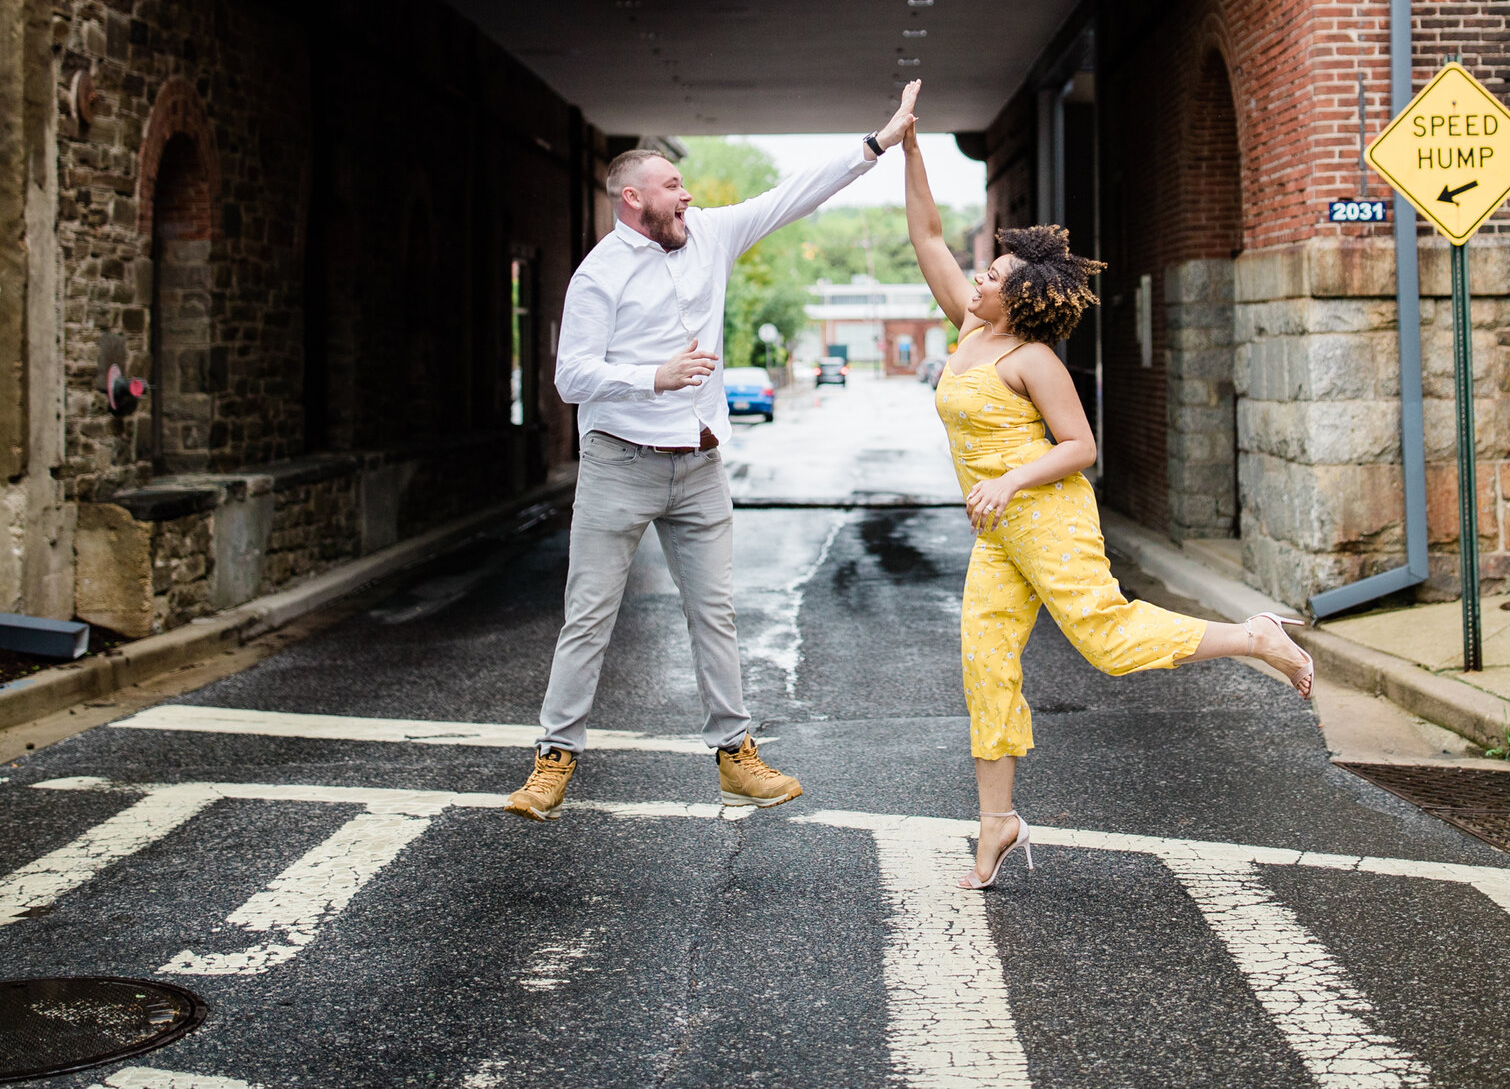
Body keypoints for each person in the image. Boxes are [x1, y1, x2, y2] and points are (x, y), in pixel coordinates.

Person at [899, 124, 1314, 888]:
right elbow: (926, 231)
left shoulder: (1031, 359)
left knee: (1107, 640)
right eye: (984, 271)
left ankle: (1256, 637)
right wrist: (910, 147)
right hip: (998, 533)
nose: (978, 279)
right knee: (985, 662)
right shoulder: (969, 326)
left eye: (992, 276)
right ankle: (997, 822)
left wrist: (1009, 481)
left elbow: (1080, 446)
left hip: (1046, 516)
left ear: (1019, 300)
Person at [505, 82, 924, 822]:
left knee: (716, 612)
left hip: (699, 465)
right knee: (588, 615)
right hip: (619, 464)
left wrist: (879, 140)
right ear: (633, 199)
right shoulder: (599, 274)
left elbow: (796, 193)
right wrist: (651, 376)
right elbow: (570, 374)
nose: (687, 193)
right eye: (672, 184)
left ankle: (736, 757)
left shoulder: (712, 235)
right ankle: (553, 760)